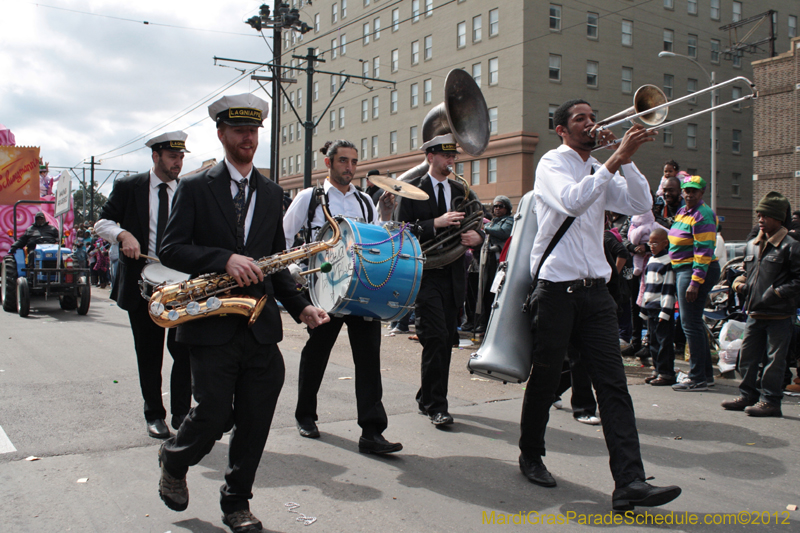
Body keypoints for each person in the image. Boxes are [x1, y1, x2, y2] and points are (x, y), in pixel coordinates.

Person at [156, 93, 329, 533]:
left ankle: (236, 504)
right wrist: (224, 259)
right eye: (239, 130)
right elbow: (171, 247)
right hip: (210, 321)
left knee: (255, 419)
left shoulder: (272, 193)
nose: (247, 138)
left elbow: (275, 263)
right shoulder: (196, 186)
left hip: (259, 327)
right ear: (222, 134)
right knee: (213, 413)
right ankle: (175, 460)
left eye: (253, 131)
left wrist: (302, 307)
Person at [518, 98, 681, 511]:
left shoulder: (599, 166)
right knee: (546, 375)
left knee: (613, 385)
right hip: (557, 289)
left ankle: (630, 482)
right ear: (562, 129)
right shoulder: (551, 165)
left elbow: (640, 204)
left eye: (593, 118)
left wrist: (624, 160)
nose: (591, 124)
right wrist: (613, 161)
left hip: (596, 292)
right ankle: (530, 454)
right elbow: (572, 201)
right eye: (580, 119)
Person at [282, 139, 402, 454]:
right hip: (324, 290)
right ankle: (305, 415)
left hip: (361, 290)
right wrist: (293, 267)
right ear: (329, 163)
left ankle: (372, 432)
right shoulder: (309, 198)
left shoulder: (365, 201)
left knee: (368, 359)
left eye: (353, 162)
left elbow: (378, 240)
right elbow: (282, 235)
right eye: (343, 161)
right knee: (317, 352)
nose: (349, 167)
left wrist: (386, 214)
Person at [94, 131, 193, 439]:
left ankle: (181, 413)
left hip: (180, 285)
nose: (178, 163)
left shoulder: (189, 189)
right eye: (173, 157)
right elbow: (102, 223)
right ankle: (154, 414)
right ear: (156, 156)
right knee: (149, 353)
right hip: (142, 283)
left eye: (181, 158)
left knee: (185, 350)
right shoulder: (129, 187)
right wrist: (123, 236)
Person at [396, 133, 484, 427]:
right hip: (425, 272)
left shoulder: (462, 189)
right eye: (445, 156)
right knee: (434, 335)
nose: (450, 161)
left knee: (446, 338)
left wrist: (478, 237)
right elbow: (401, 229)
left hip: (454, 273)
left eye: (453, 156)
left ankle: (427, 396)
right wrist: (435, 223)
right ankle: (438, 405)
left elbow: (478, 220)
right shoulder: (412, 190)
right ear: (430, 157)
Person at [722, 192, 800, 417]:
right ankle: (747, 395)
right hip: (754, 312)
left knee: (774, 361)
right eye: (758, 214)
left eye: (766, 215)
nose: (760, 219)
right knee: (747, 356)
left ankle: (771, 401)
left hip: (779, 314)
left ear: (778, 218)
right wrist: (739, 282)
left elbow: (798, 281)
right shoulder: (752, 245)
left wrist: (775, 293)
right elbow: (747, 273)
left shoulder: (791, 247)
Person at [668, 175, 721, 392]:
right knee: (693, 323)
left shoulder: (703, 214)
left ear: (702, 193)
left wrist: (695, 282)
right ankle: (705, 375)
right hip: (683, 269)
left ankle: (697, 377)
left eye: (694, 191)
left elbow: (704, 250)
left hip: (694, 271)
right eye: (686, 190)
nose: (689, 194)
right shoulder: (683, 211)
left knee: (689, 324)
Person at [640, 228, 677, 386]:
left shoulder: (668, 262)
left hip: (662, 309)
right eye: (650, 243)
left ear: (665, 243)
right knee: (653, 341)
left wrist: (666, 311)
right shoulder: (651, 260)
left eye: (655, 242)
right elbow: (646, 286)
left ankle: (666, 373)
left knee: (664, 342)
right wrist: (643, 308)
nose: (652, 246)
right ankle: (657, 369)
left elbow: (668, 288)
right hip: (651, 307)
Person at [474, 196, 513, 334]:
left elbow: (503, 232)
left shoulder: (509, 221)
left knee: (494, 291)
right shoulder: (492, 223)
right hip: (486, 260)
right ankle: (482, 322)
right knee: (483, 292)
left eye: (500, 206)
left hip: (498, 262)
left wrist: (485, 228)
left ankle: (492, 324)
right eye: (495, 206)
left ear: (507, 208)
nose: (497, 208)